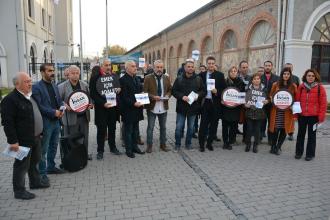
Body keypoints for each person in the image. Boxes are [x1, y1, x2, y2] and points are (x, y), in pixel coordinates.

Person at [1, 72, 49, 200]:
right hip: (22, 140)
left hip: (36, 137)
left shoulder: (29, 96)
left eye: (30, 81)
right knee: (21, 165)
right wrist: (13, 141)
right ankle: (19, 190)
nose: (30, 84)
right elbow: (8, 123)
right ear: (17, 84)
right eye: (26, 81)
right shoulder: (10, 100)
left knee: (35, 161)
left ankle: (35, 182)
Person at [32, 63, 65, 185]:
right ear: (42, 72)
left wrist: (61, 107)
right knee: (43, 149)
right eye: (49, 70)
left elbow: (59, 100)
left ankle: (51, 166)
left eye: (53, 70)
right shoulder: (37, 87)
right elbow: (39, 106)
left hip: (56, 121)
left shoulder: (54, 84)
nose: (52, 73)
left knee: (54, 145)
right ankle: (42, 173)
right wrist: (53, 112)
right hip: (46, 122)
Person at [58, 65, 93, 160]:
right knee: (71, 139)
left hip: (84, 117)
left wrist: (91, 104)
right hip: (70, 118)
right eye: (73, 73)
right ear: (68, 74)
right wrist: (65, 105)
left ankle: (84, 155)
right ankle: (71, 157)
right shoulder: (62, 87)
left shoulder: (84, 84)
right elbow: (58, 101)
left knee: (84, 138)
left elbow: (89, 98)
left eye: (77, 73)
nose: (75, 75)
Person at [89, 59, 122, 160]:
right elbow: (93, 94)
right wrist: (103, 103)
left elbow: (118, 90)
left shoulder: (114, 77)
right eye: (106, 65)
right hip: (101, 109)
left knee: (112, 129)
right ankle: (100, 151)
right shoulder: (95, 78)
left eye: (109, 65)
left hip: (113, 108)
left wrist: (119, 90)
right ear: (101, 66)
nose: (108, 67)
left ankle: (113, 147)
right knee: (101, 130)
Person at [172, 59, 206, 152]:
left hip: (193, 108)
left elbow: (204, 91)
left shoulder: (198, 79)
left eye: (192, 67)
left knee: (191, 128)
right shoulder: (179, 78)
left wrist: (198, 96)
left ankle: (188, 144)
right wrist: (182, 96)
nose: (190, 68)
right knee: (179, 127)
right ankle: (177, 145)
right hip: (181, 108)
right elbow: (174, 91)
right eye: (188, 67)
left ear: (194, 68)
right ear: (184, 67)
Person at [295, 69, 327, 161]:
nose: (310, 77)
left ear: (315, 77)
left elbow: (323, 104)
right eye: (309, 75)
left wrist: (321, 117)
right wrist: (296, 115)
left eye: (312, 76)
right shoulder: (301, 87)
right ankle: (298, 152)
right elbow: (297, 101)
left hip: (313, 117)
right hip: (302, 116)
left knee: (312, 136)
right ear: (305, 77)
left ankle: (310, 154)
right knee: (300, 135)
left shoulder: (320, 88)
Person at [143, 60, 172, 153]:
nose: (159, 69)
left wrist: (167, 95)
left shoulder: (167, 78)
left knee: (163, 127)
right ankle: (149, 145)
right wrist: (153, 97)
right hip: (152, 107)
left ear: (163, 68)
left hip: (163, 106)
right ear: (154, 68)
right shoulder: (147, 78)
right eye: (157, 67)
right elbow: (145, 92)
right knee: (150, 127)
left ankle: (163, 145)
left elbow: (170, 90)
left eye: (161, 67)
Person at [198, 56, 225, 152]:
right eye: (209, 63)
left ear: (215, 64)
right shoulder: (201, 75)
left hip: (215, 103)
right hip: (205, 102)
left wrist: (217, 91)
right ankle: (201, 144)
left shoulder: (220, 75)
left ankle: (209, 143)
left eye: (212, 63)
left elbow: (224, 89)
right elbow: (198, 88)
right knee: (203, 124)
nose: (211, 65)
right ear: (206, 64)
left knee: (214, 124)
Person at [268, 67, 297, 155]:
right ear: (282, 75)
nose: (286, 75)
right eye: (284, 74)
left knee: (284, 130)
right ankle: (273, 146)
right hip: (277, 111)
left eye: (288, 74)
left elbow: (296, 99)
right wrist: (273, 100)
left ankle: (278, 147)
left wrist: (293, 106)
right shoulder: (275, 84)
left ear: (290, 75)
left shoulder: (293, 86)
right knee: (276, 129)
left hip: (287, 112)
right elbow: (270, 95)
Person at [119, 60, 145, 158]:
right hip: (128, 110)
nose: (135, 68)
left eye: (135, 66)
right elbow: (124, 97)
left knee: (135, 130)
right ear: (127, 68)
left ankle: (135, 147)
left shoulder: (137, 79)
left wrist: (142, 94)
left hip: (137, 109)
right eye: (133, 66)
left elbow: (139, 91)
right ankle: (128, 150)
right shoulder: (123, 80)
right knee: (128, 131)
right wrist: (134, 103)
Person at [244, 73, 268, 153]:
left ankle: (255, 145)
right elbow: (243, 98)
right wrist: (245, 104)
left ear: (260, 80)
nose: (256, 80)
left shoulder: (264, 89)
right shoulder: (248, 88)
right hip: (249, 111)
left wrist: (266, 101)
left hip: (259, 112)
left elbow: (268, 98)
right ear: (252, 80)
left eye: (258, 79)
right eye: (255, 79)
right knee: (249, 129)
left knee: (257, 130)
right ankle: (248, 144)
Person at [222, 66, 245, 150]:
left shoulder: (240, 82)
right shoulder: (225, 81)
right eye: (231, 71)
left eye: (235, 71)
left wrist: (241, 101)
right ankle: (225, 142)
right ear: (229, 73)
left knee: (234, 125)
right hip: (226, 107)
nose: (233, 72)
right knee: (225, 126)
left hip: (236, 108)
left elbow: (242, 94)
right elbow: (222, 93)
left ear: (237, 73)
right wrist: (222, 100)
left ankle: (231, 141)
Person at [260, 61, 279, 144]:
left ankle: (270, 139)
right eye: (266, 65)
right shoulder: (259, 77)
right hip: (262, 103)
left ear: (272, 67)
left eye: (269, 66)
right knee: (262, 121)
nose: (267, 67)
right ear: (264, 67)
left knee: (271, 121)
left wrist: (271, 98)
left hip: (272, 103)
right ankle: (260, 137)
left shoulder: (277, 78)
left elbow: (278, 90)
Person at [283, 63, 300, 141]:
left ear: (292, 69)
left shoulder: (296, 78)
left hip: (291, 103)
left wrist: (295, 106)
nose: (288, 69)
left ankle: (290, 133)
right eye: (286, 68)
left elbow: (298, 91)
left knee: (291, 120)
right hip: (282, 102)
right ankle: (282, 132)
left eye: (290, 68)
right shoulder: (280, 78)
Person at [238, 61, 251, 142]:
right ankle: (232, 137)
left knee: (246, 121)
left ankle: (245, 138)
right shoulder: (236, 77)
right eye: (243, 67)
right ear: (240, 68)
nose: (245, 69)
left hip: (246, 102)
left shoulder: (250, 78)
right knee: (236, 120)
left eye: (246, 67)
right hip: (237, 102)